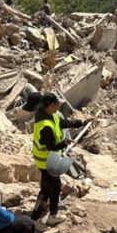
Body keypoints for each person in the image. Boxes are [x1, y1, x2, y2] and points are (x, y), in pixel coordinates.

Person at [30, 92, 85, 225]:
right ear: (51, 105)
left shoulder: (51, 116)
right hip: (46, 162)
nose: (59, 105)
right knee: (46, 191)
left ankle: (52, 215)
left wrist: (81, 122)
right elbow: (52, 146)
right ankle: (34, 220)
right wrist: (65, 143)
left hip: (52, 160)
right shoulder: (45, 126)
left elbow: (64, 123)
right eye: (57, 103)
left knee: (56, 187)